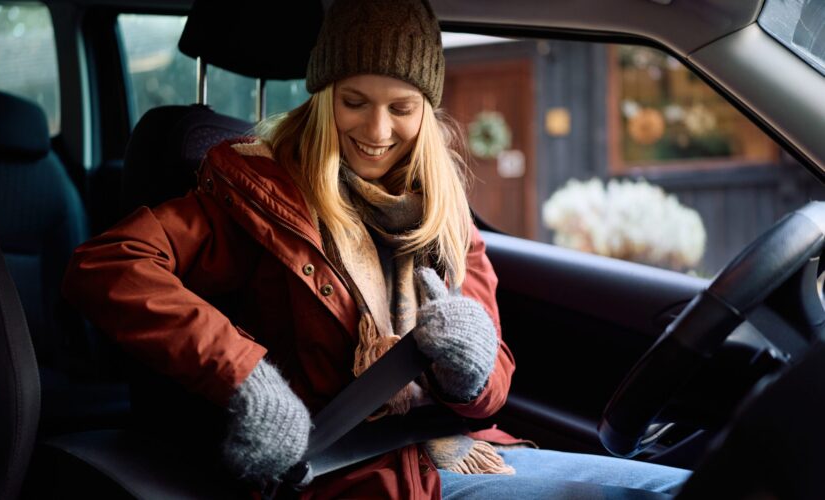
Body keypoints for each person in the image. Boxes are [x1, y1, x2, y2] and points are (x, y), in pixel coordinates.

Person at [62, 0, 690, 497]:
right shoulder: (260, 195)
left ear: (427, 109)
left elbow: (492, 394)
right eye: (354, 102)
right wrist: (247, 375)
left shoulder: (444, 211)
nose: (378, 130)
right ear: (322, 97)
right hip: (350, 475)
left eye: (402, 107)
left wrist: (470, 368)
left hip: (459, 455)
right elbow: (108, 266)